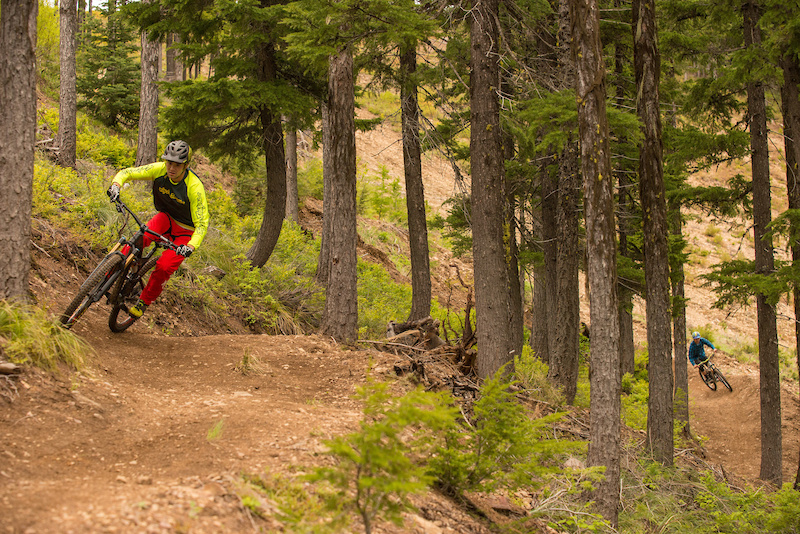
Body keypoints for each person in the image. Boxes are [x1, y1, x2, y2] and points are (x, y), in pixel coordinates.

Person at [107, 140, 209, 318]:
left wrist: (191, 246)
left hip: (186, 232)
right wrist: (116, 185)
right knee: (137, 240)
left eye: (177, 165)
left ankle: (143, 302)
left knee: (163, 267)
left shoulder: (194, 187)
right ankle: (108, 275)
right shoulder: (160, 169)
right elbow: (128, 173)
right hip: (166, 219)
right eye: (169, 163)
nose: (171, 168)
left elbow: (202, 224)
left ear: (186, 165)